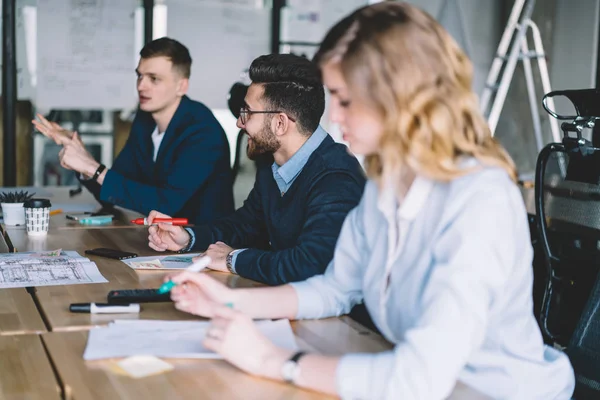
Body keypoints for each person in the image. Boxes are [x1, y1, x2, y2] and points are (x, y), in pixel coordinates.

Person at [162, 3, 575, 399]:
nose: (334, 118)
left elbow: (419, 377)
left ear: (397, 97)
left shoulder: (479, 199)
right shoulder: (386, 184)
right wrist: (229, 300)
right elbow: (334, 288)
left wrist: (273, 360)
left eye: (344, 100)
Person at [146, 53, 366, 285]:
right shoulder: (276, 166)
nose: (240, 123)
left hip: (335, 319)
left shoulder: (336, 178)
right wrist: (187, 238)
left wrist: (232, 259)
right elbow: (245, 226)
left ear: (280, 123)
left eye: (247, 113)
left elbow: (309, 264)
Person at [32, 37, 234, 225]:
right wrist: (82, 160)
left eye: (154, 79)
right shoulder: (146, 120)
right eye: (139, 76)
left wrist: (94, 168)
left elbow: (166, 205)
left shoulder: (203, 132)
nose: (141, 86)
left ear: (181, 86)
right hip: (158, 240)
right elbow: (115, 188)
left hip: (203, 248)